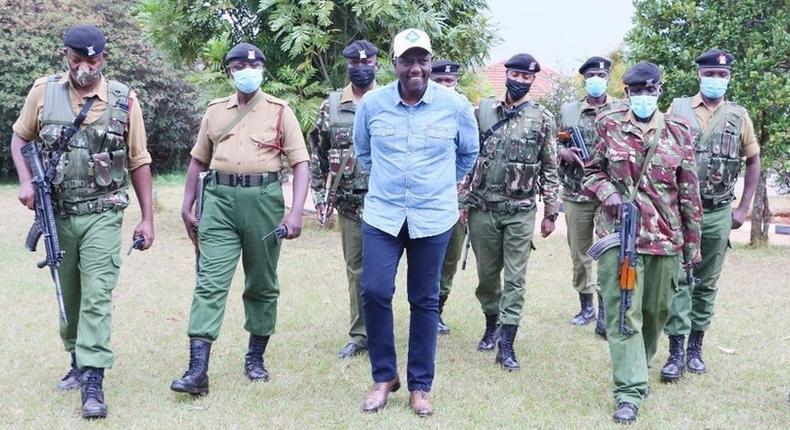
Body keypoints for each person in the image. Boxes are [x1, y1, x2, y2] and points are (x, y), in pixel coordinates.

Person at [10, 24, 155, 419]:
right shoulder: (43, 91)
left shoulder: (124, 100)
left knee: (96, 294)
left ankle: (93, 378)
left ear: (104, 58)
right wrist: (25, 181)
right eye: (78, 60)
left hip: (103, 214)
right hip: (58, 213)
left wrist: (147, 218)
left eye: (93, 60)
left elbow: (139, 160)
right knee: (69, 295)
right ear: (66, 58)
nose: (85, 68)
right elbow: (20, 138)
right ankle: (76, 356)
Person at [170, 42, 310, 396]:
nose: (248, 72)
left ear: (262, 70)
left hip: (263, 200)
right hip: (218, 202)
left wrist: (295, 212)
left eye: (256, 66)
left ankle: (255, 358)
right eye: (239, 67)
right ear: (229, 72)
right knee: (209, 282)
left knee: (261, 282)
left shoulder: (281, 111)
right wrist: (186, 205)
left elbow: (301, 163)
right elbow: (198, 160)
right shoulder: (215, 111)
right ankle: (197, 371)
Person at [353, 28, 479, 416]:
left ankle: (420, 386)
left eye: (422, 59)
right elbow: (364, 152)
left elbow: (468, 155)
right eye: (407, 60)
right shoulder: (372, 105)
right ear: (394, 64)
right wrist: (390, 183)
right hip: (383, 215)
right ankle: (384, 377)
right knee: (374, 291)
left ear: (430, 61)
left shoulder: (455, 106)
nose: (415, 68)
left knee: (425, 301)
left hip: (433, 216)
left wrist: (440, 188)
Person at [583, 62, 702, 424]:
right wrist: (609, 194)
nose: (644, 98)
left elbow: (689, 193)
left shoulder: (680, 131)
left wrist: (692, 247)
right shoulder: (609, 124)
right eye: (638, 93)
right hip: (620, 241)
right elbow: (591, 172)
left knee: (653, 316)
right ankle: (629, 392)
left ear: (659, 92)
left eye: (650, 93)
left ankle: (638, 367)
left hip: (665, 241)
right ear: (627, 93)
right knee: (624, 317)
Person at [659, 49, 760, 382]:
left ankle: (695, 350)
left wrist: (743, 207)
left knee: (706, 282)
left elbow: (753, 160)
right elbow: (660, 152)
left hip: (717, 212)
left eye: (722, 75)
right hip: (680, 211)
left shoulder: (738, 116)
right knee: (677, 280)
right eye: (710, 74)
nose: (716, 80)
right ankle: (674, 352)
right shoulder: (677, 108)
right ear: (699, 75)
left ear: (729, 77)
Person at [463, 53, 560, 371]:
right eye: (515, 75)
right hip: (483, 209)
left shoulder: (542, 118)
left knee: (516, 279)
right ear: (506, 75)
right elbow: (467, 158)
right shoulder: (483, 111)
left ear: (533, 81)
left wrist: (551, 210)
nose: (519, 81)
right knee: (487, 278)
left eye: (526, 77)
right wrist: (463, 201)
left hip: (520, 211)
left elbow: (550, 167)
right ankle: (492, 322)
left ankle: (506, 344)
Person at [308, 40, 379, 359]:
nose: (361, 68)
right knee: (358, 271)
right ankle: (361, 334)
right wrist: (321, 198)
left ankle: (383, 330)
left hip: (387, 203)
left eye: (367, 63)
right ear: (348, 66)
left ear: (377, 63)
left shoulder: (390, 101)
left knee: (385, 272)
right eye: (354, 64)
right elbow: (316, 154)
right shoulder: (332, 105)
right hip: (350, 205)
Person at [557, 56, 619, 337]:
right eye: (591, 75)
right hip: (577, 192)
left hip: (610, 195)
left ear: (607, 78)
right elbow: (553, 143)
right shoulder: (569, 111)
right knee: (579, 253)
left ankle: (606, 310)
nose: (596, 79)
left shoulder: (622, 109)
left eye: (601, 75)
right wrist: (564, 153)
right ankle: (586, 306)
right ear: (584, 79)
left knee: (608, 251)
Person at [429, 59, 467, 335]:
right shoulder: (421, 111)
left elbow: (475, 157)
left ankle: (437, 311)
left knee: (449, 260)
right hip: (426, 199)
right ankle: (424, 309)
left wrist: (464, 199)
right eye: (439, 82)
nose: (444, 86)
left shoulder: (466, 112)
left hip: (458, 200)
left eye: (449, 82)